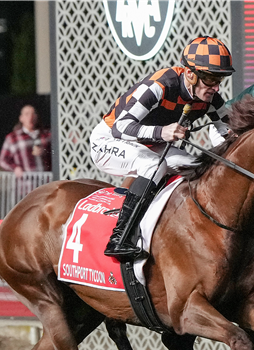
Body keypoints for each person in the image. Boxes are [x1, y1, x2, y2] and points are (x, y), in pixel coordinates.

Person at [90, 36, 235, 260]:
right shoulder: (160, 86)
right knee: (153, 165)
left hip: (150, 146)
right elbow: (121, 127)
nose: (216, 87)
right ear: (190, 73)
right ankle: (119, 238)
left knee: (196, 167)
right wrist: (162, 132)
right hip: (109, 141)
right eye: (210, 79)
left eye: (220, 80)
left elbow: (226, 129)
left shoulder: (210, 97)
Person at [0, 105, 51, 176]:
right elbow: (2, 160)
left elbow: (57, 154)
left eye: (33, 114)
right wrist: (15, 168)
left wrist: (45, 151)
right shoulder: (13, 138)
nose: (30, 117)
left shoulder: (46, 135)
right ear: (21, 118)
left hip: (45, 181)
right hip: (25, 183)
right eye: (27, 114)